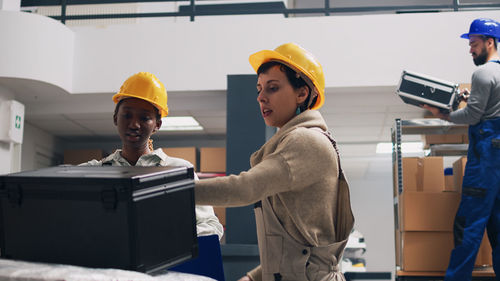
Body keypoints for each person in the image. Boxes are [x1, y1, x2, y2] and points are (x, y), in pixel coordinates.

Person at [195, 43, 354, 281]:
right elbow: (299, 252)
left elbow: (244, 188)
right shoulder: (293, 141)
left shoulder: (305, 140)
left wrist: (171, 191)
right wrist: (252, 278)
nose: (261, 97)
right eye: (259, 89)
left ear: (302, 93)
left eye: (273, 88)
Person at [80, 71, 223, 240]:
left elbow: (212, 226)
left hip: (163, 263)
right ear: (115, 119)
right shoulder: (92, 172)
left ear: (157, 124)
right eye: (127, 115)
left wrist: (167, 235)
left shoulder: (178, 170)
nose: (134, 124)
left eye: (144, 118)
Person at [423, 18, 500, 280]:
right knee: (499, 230)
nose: (470, 50)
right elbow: (488, 108)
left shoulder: (482, 73)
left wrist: (442, 114)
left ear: (490, 42)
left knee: (468, 225)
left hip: (486, 159)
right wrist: (472, 101)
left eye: (474, 44)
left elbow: (473, 116)